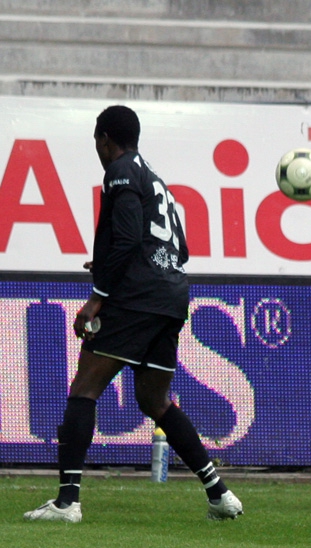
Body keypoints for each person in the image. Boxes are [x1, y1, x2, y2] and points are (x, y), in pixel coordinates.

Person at [24, 105, 243, 523]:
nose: (97, 149)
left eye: (97, 141)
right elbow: (180, 250)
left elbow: (125, 238)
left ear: (105, 138)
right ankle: (219, 493)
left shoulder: (121, 171)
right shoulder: (156, 180)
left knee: (84, 389)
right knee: (154, 399)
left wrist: (97, 296)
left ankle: (67, 503)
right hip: (172, 297)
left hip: (137, 298)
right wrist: (114, 259)